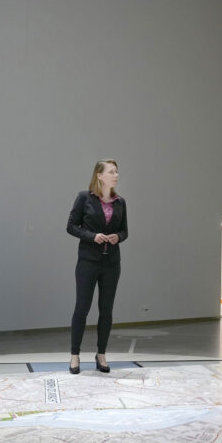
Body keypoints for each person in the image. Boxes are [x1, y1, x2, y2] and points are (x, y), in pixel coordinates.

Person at [66, 159, 128, 374]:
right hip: (88, 262)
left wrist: (117, 237)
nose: (116, 175)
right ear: (99, 175)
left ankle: (101, 354)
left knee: (106, 310)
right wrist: (92, 236)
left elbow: (125, 231)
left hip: (112, 263)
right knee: (82, 308)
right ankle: (75, 355)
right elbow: (71, 226)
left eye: (117, 172)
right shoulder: (84, 198)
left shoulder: (120, 202)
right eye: (111, 172)